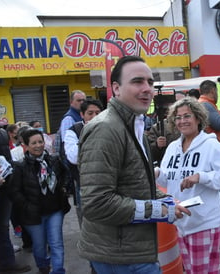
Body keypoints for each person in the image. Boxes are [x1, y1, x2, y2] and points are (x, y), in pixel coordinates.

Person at [77, 55, 190, 274]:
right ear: (116, 88)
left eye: (150, 82)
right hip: (119, 257)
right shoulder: (106, 129)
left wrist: (164, 200)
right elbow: (96, 203)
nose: (147, 88)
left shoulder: (133, 124)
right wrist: (158, 209)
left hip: (131, 251)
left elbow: (138, 182)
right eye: (138, 81)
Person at [155, 97, 220, 274]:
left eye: (187, 116)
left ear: (198, 118)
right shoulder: (173, 147)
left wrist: (201, 176)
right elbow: (167, 179)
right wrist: (157, 173)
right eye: (178, 117)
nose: (182, 121)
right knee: (192, 270)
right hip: (181, 221)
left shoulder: (211, 145)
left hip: (203, 222)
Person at [10, 128, 70, 274]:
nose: (38, 146)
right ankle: (43, 267)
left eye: (40, 142)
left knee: (56, 243)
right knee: (39, 245)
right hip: (34, 215)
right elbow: (14, 192)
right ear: (26, 146)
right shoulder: (20, 167)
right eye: (34, 143)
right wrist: (27, 206)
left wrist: (63, 189)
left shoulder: (54, 160)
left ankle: (58, 270)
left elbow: (66, 175)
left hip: (55, 210)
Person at [0, 98, 31, 274]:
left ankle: (7, 262)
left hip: (5, 186)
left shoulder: (1, 132)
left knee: (2, 227)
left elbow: (7, 157)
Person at [63, 98, 103, 227]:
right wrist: (88, 135)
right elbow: (74, 157)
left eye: (98, 113)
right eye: (90, 113)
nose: (94, 117)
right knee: (87, 221)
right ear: (82, 115)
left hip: (108, 182)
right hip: (84, 184)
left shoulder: (110, 129)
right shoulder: (73, 130)